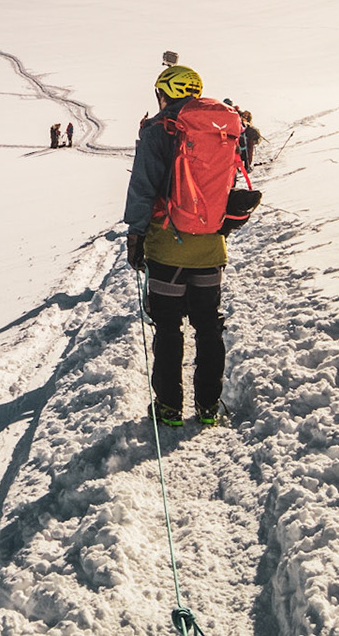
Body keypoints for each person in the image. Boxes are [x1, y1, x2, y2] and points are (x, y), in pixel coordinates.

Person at [123, 64, 254, 428]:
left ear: (163, 93)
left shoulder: (158, 129)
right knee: (208, 326)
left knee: (168, 328)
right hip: (211, 245)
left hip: (167, 246)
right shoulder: (222, 127)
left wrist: (135, 237)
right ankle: (209, 407)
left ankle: (169, 408)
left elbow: (143, 187)